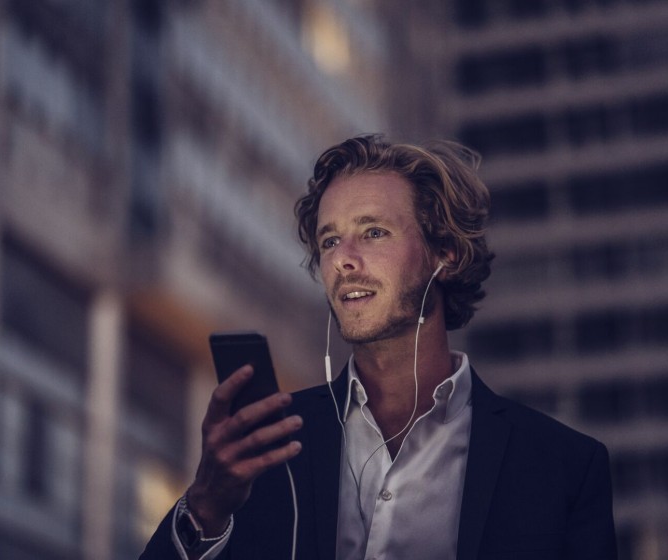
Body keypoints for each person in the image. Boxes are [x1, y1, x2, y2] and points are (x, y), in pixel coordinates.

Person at [140, 135, 617, 560]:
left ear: (444, 254)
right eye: (329, 241)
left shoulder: (562, 466)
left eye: (373, 233)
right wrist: (203, 507)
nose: (343, 260)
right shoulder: (270, 449)